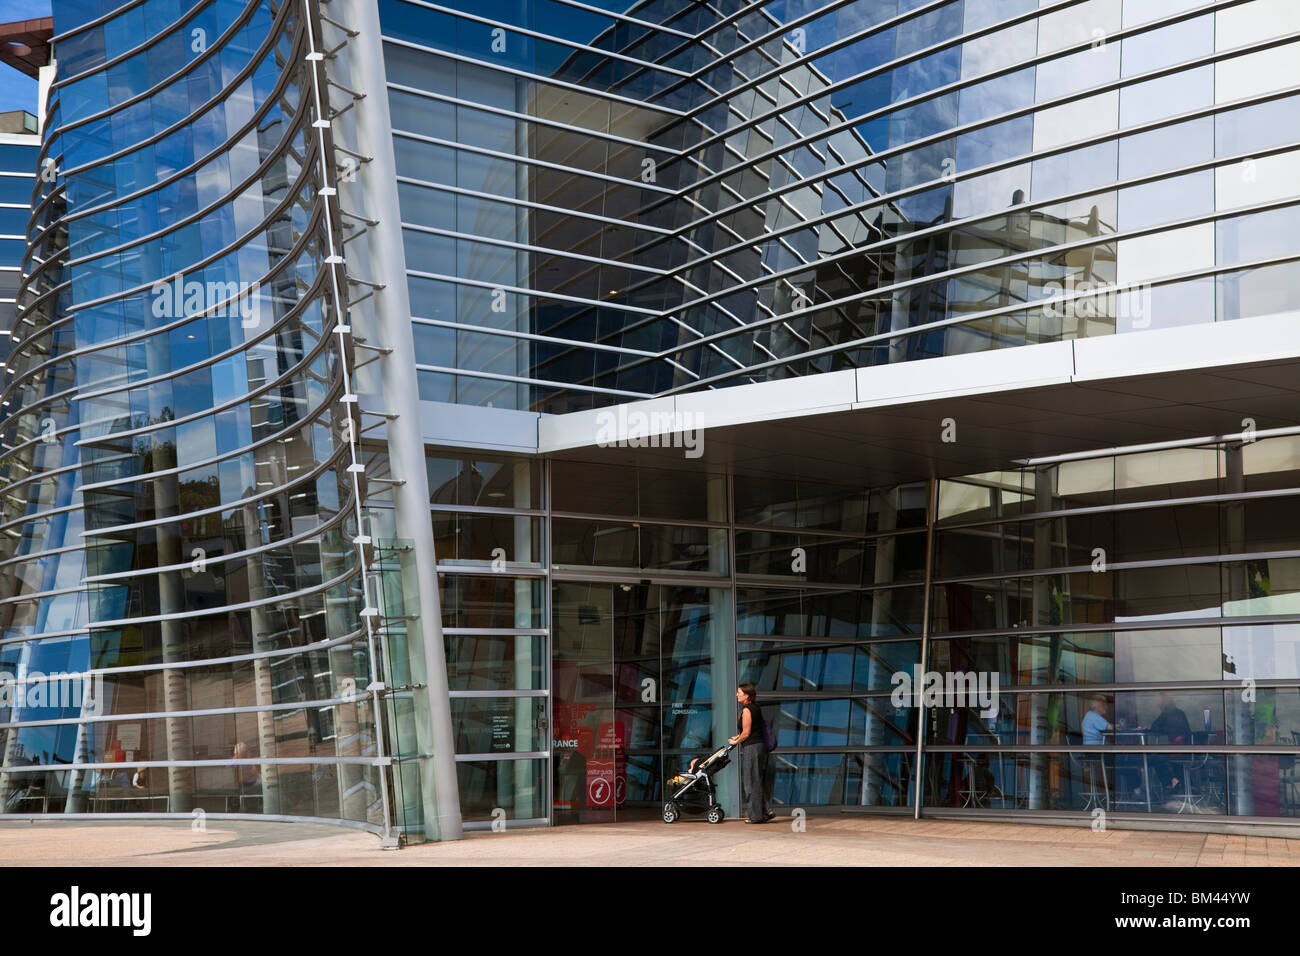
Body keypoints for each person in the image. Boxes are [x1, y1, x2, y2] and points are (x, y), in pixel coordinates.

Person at [728, 683, 773, 824]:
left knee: (750, 782)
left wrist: (736, 742)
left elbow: (747, 733)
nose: (736, 695)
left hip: (752, 747)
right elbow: (750, 730)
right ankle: (766, 811)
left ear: (747, 695)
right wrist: (738, 737)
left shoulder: (748, 710)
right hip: (756, 746)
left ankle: (756, 816)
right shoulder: (755, 707)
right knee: (754, 780)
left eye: (739, 692)